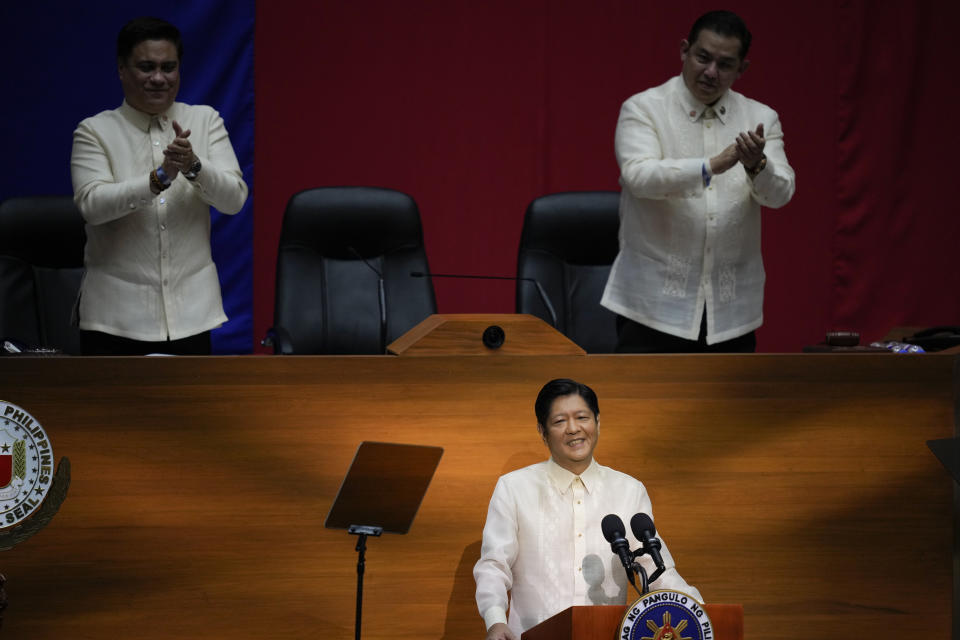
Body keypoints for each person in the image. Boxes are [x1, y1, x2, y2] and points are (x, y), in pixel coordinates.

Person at [602, 10, 796, 353]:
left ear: (741, 69)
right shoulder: (644, 108)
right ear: (684, 50)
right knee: (645, 407)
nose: (710, 72)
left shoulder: (761, 118)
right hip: (652, 308)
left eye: (724, 64)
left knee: (729, 408)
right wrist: (711, 166)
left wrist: (757, 165)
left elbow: (780, 195)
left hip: (731, 311)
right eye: (702, 57)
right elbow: (639, 177)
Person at [71, 16, 248, 355]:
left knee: (189, 410)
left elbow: (234, 200)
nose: (158, 78)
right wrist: (160, 177)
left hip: (192, 316)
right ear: (122, 70)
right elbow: (92, 206)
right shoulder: (94, 131)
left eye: (169, 67)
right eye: (146, 67)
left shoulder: (205, 120)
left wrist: (194, 165)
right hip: (114, 319)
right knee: (111, 410)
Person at [473, 379, 701, 640]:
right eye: (559, 421)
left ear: (598, 422)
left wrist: (701, 611)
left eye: (582, 417)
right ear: (542, 431)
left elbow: (656, 569)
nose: (573, 429)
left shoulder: (629, 490)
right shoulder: (513, 488)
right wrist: (495, 621)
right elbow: (494, 566)